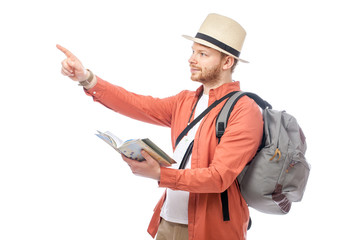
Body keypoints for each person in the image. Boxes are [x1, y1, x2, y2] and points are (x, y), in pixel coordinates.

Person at [57, 13, 263, 240]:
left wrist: (159, 174)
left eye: (203, 54)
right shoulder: (185, 101)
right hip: (167, 222)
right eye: (193, 51)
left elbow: (218, 178)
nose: (192, 59)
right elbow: (137, 104)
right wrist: (87, 78)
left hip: (212, 231)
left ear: (227, 62)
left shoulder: (245, 110)